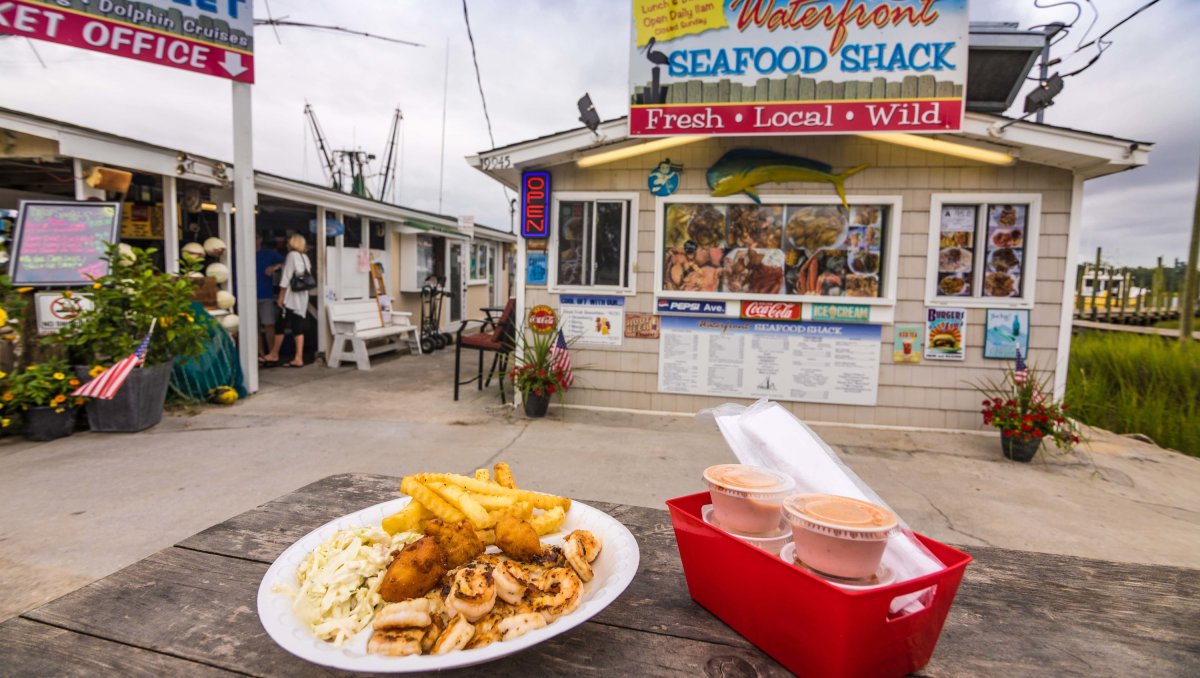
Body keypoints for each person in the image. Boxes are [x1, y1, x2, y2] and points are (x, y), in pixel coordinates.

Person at [262, 234, 312, 368]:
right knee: (297, 326)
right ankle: (298, 357)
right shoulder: (305, 257)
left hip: (291, 297)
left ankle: (274, 354)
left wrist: (281, 296)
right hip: (302, 296)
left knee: (280, 325)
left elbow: (286, 277)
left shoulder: (292, 256)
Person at [255, 233, 285, 365]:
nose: (253, 240)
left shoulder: (269, 253)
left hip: (265, 294)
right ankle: (259, 355)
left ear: (260, 240)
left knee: (269, 324)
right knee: (252, 327)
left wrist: (274, 267)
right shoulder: (239, 251)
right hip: (244, 295)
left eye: (256, 238)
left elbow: (286, 262)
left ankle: (272, 354)